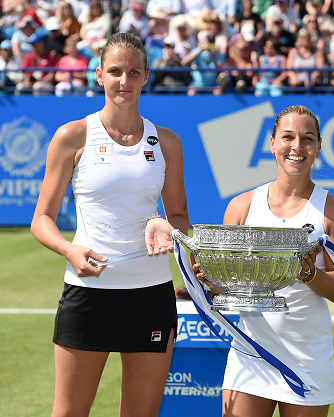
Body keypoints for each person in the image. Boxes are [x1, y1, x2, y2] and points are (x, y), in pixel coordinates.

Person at [30, 32, 190, 417]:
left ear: (146, 77)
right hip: (88, 292)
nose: (124, 81)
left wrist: (169, 228)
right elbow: (42, 219)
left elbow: (180, 216)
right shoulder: (72, 136)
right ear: (99, 75)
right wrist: (69, 249)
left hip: (151, 294)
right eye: (115, 71)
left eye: (133, 72)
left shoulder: (166, 141)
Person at [213, 104, 334, 417]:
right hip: (251, 353)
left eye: (307, 139)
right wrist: (209, 281)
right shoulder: (240, 207)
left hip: (307, 356)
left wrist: (306, 274)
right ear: (272, 142)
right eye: (288, 137)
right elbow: (227, 289)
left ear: (319, 146)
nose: (297, 147)